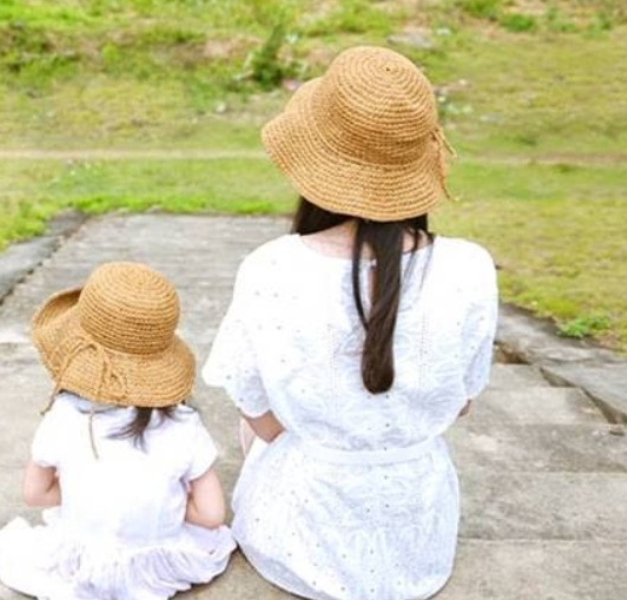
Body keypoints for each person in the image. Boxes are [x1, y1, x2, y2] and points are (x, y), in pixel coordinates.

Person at [203, 46, 498, 600]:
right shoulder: (469, 267)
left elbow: (261, 419)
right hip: (420, 538)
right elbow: (461, 401)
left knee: (266, 426)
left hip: (302, 539)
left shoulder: (272, 267)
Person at [0, 262, 236, 600]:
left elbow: (35, 494)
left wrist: (85, 490)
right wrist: (165, 502)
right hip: (154, 565)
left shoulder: (62, 417)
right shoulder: (184, 424)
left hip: (81, 560)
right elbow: (211, 514)